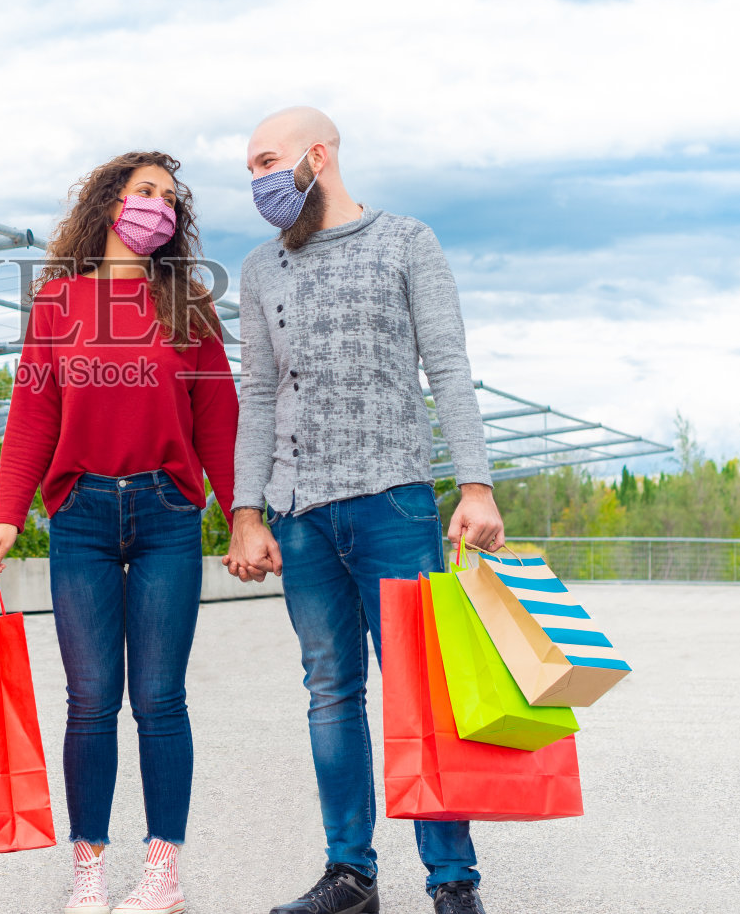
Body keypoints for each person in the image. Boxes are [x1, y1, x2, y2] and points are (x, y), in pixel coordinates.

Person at [224, 107, 506, 914]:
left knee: (421, 693)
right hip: (302, 515)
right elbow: (256, 396)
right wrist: (248, 510)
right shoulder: (260, 268)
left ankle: (453, 882)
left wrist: (475, 483)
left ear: (318, 155)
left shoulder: (407, 241)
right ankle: (350, 875)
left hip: (395, 503)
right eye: (249, 168)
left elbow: (449, 366)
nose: (258, 181)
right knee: (330, 693)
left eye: (267, 161)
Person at [0, 150, 239, 914]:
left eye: (168, 197)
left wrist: (243, 515)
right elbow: (34, 411)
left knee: (160, 698)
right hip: (81, 515)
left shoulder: (188, 306)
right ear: (109, 205)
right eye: (143, 191)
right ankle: (88, 868)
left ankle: (164, 872)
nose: (156, 205)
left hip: (166, 512)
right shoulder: (57, 303)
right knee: (90, 698)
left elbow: (217, 419)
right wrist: (6, 514)